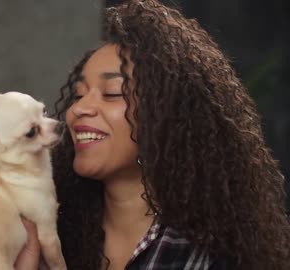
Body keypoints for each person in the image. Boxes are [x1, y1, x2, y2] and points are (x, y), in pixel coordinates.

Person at [15, 0, 290, 269]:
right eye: (78, 94)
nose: (78, 108)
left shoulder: (212, 255)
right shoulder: (43, 238)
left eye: (112, 93)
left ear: (167, 117)